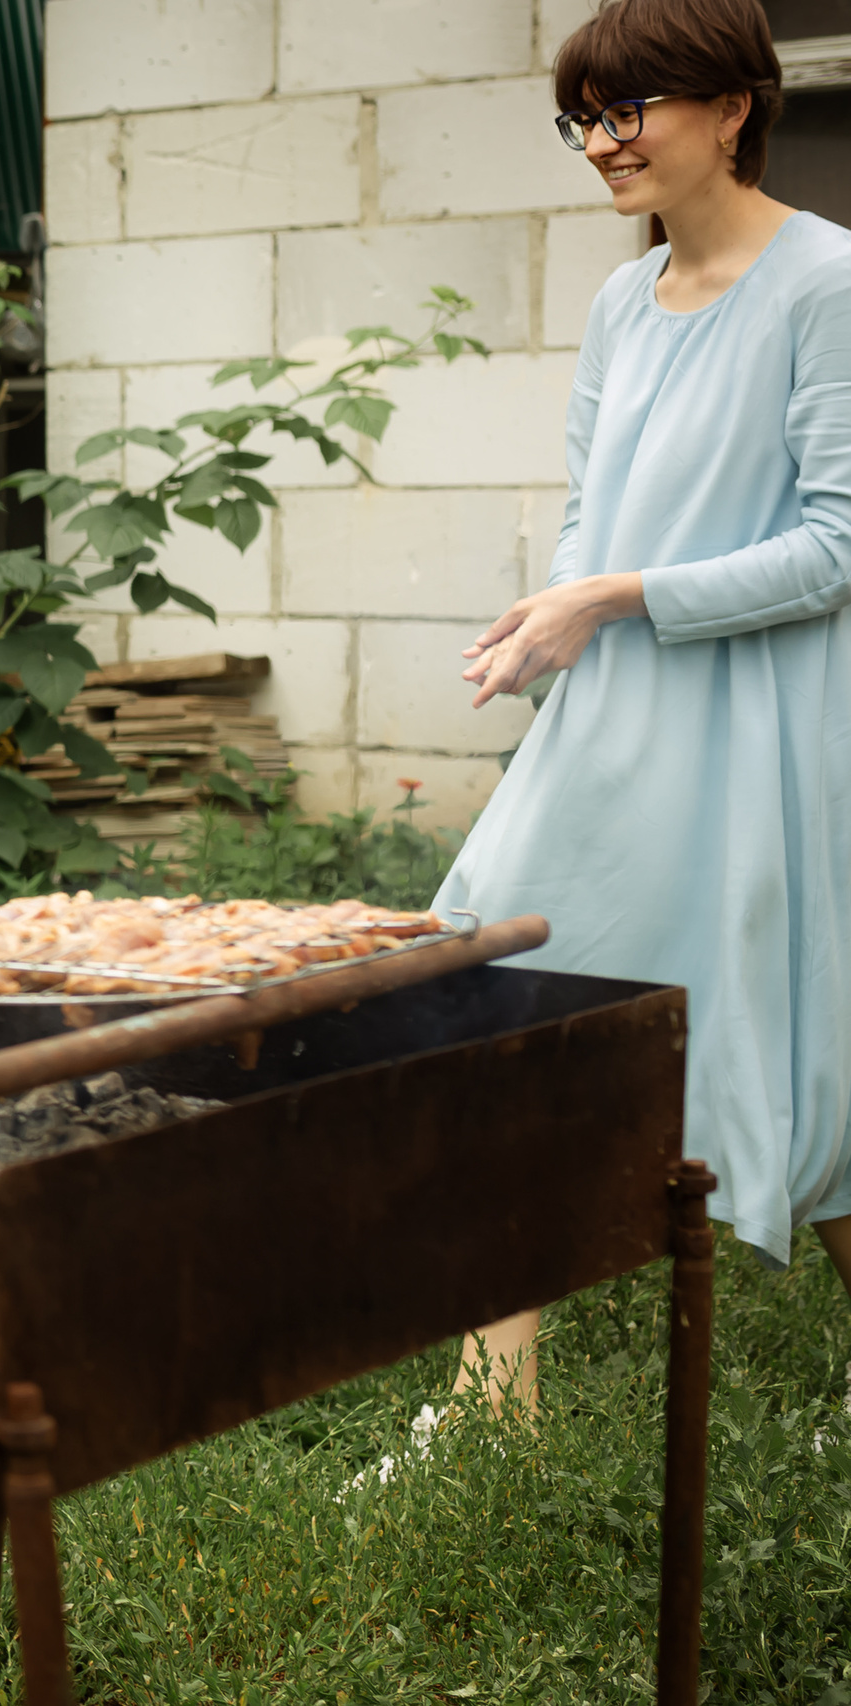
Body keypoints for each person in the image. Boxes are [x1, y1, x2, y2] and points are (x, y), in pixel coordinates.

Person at [438, 0, 851, 1417]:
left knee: (803, 1052)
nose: (604, 145)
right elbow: (586, 515)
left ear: (734, 106)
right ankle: (496, 1421)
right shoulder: (624, 299)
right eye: (586, 120)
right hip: (614, 718)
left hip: (766, 727)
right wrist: (548, 628)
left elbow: (839, 549)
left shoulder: (828, 285)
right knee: (493, 1002)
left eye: (632, 112)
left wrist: (606, 598)